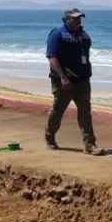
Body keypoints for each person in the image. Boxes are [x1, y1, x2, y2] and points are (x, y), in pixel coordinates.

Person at [44, 8, 104, 155]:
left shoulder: (83, 35)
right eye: (75, 18)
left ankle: (89, 145)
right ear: (66, 19)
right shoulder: (57, 33)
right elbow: (52, 58)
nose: (79, 20)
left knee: (85, 113)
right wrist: (63, 77)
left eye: (80, 18)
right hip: (64, 82)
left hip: (82, 81)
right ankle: (49, 136)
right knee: (58, 111)